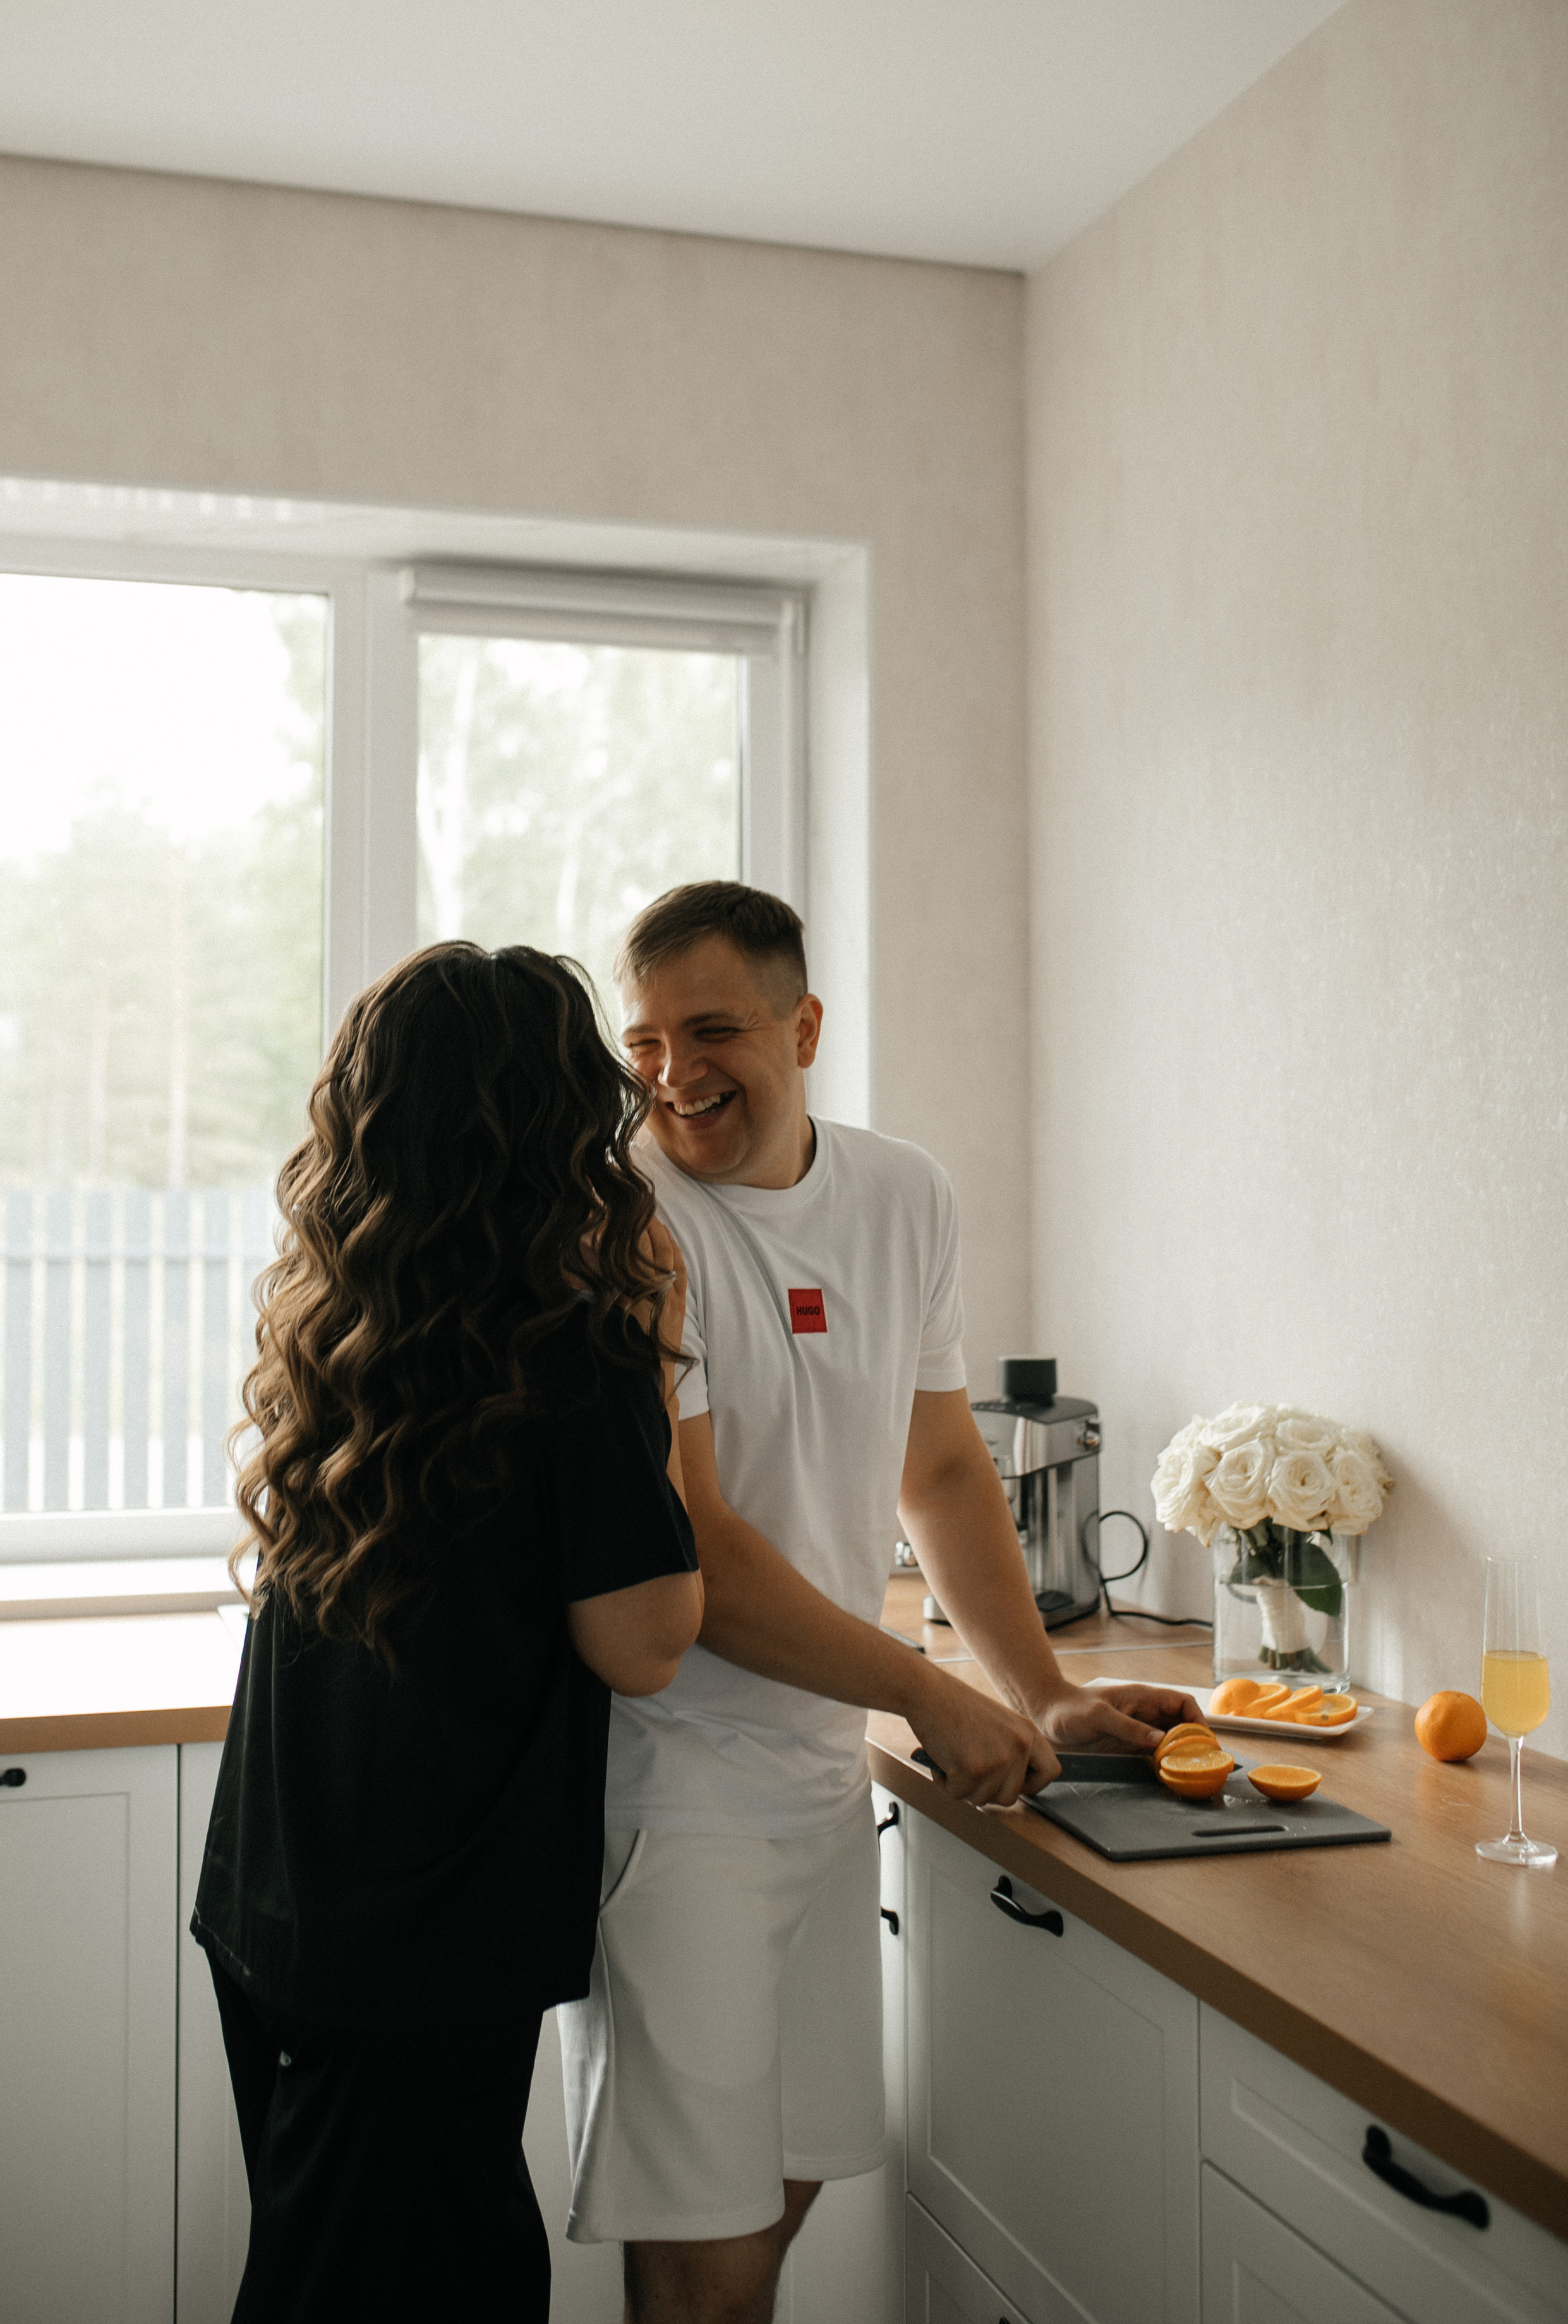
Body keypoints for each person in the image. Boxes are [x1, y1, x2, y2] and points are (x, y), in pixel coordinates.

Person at [557, 882, 1201, 2324]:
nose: (670, 1073)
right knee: (698, 2254)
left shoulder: (901, 1191)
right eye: (643, 1039)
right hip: (669, 1798)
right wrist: (922, 1688)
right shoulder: (625, 1223)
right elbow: (698, 1549)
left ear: (805, 1024)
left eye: (711, 1029)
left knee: (777, 2203)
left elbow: (941, 1461)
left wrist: (1041, 1691)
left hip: (814, 1776)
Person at [190, 941, 703, 2324]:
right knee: (434, 2281)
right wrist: (654, 1347)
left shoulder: (342, 1312)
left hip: (277, 1896)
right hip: (420, 1937)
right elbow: (646, 1639)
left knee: (323, 2268)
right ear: (552, 1123)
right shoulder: (573, 1344)